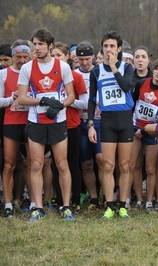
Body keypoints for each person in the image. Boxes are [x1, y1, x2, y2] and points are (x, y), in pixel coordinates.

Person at [18, 28, 76, 221]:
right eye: (35, 44)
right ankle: (38, 208)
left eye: (41, 44)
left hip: (58, 122)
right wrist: (41, 102)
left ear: (50, 46)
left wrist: (59, 105)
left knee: (61, 164)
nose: (37, 48)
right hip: (36, 122)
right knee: (36, 165)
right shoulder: (27, 68)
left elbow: (71, 97)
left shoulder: (63, 67)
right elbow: (22, 99)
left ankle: (66, 206)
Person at [87, 30, 134, 219]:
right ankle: (109, 205)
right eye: (105, 46)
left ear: (119, 48)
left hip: (124, 119)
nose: (108, 50)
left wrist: (114, 68)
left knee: (124, 165)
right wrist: (90, 123)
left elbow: (125, 87)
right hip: (106, 120)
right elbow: (91, 99)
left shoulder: (126, 68)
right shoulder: (96, 71)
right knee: (107, 165)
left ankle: (122, 205)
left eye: (112, 46)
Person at [130, 58, 158, 213]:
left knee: (150, 168)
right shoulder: (141, 84)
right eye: (157, 68)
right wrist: (134, 127)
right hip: (136, 129)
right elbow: (132, 104)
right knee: (134, 165)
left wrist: (145, 131)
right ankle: (139, 200)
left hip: (152, 132)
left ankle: (149, 202)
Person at [51, 42, 88, 214]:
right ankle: (59, 201)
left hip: (72, 124)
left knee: (72, 163)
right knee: (55, 164)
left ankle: (75, 201)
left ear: (67, 57)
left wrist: (66, 103)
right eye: (53, 55)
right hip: (52, 125)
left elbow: (86, 103)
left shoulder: (76, 77)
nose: (55, 58)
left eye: (59, 55)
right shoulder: (50, 77)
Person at [0, 40, 31, 218]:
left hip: (30, 121)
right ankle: (8, 203)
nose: (22, 60)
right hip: (11, 121)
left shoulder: (32, 72)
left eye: (25, 57)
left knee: (31, 164)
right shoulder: (4, 74)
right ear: (12, 57)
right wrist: (12, 98)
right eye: (18, 57)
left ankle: (34, 202)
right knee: (9, 164)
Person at [75, 41, 103, 211]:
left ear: (93, 57)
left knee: (101, 160)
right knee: (86, 163)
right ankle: (93, 198)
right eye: (81, 59)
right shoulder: (71, 75)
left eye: (87, 59)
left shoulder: (101, 72)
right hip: (80, 122)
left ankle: (107, 196)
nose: (84, 62)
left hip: (100, 122)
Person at [130, 45, 154, 210]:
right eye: (137, 57)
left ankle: (152, 199)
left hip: (152, 128)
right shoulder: (129, 78)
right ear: (133, 60)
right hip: (133, 126)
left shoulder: (156, 76)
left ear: (148, 60)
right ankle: (138, 199)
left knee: (153, 166)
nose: (140, 60)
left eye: (143, 57)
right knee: (135, 164)